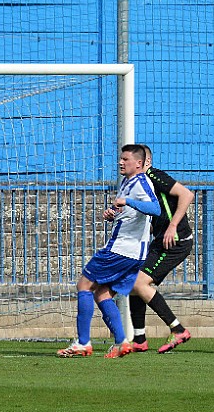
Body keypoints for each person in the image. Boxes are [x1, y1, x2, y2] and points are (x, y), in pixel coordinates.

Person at [57, 144, 160, 359]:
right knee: (102, 293)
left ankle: (83, 343)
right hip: (131, 253)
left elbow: (155, 208)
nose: (121, 162)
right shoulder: (126, 182)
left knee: (84, 285)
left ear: (139, 163)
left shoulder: (141, 182)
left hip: (121, 250)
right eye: (120, 158)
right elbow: (132, 212)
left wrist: (128, 201)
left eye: (126, 159)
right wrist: (115, 213)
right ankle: (122, 342)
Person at [129, 144, 193, 353]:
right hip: (160, 241)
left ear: (145, 162)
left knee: (139, 282)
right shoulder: (138, 183)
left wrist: (172, 225)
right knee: (133, 283)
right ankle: (139, 339)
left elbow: (186, 195)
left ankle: (178, 330)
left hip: (175, 240)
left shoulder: (155, 176)